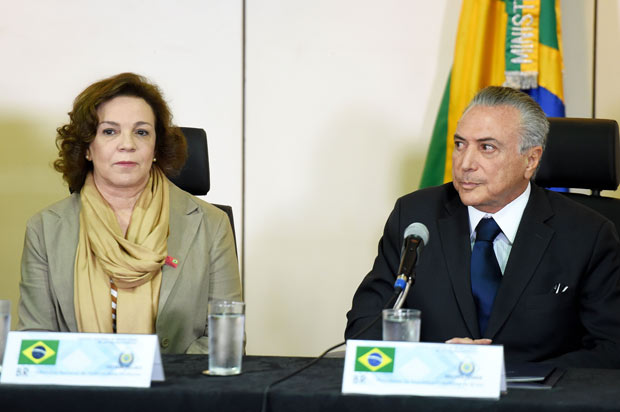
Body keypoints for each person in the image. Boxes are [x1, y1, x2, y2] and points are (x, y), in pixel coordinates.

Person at [346, 86, 620, 368]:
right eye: (460, 144)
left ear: (531, 160)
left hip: (537, 392)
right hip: (434, 389)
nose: (465, 163)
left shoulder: (587, 234)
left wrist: (497, 373)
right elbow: (363, 326)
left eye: (486, 147)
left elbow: (612, 348)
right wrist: (435, 362)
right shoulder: (415, 217)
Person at [18, 72, 242, 354]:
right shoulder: (45, 228)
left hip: (178, 382)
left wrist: (162, 376)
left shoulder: (210, 224)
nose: (127, 144)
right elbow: (36, 342)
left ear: (156, 147)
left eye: (141, 132)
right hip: (79, 381)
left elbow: (225, 340)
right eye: (109, 131)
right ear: (87, 148)